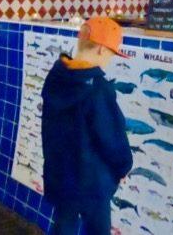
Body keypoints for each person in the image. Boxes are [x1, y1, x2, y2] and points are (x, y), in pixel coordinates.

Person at [41, 17, 132, 235]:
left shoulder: (56, 77)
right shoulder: (99, 89)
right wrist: (123, 166)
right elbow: (111, 137)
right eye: (112, 53)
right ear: (102, 50)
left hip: (60, 175)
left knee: (63, 227)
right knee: (98, 229)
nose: (110, 59)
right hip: (92, 181)